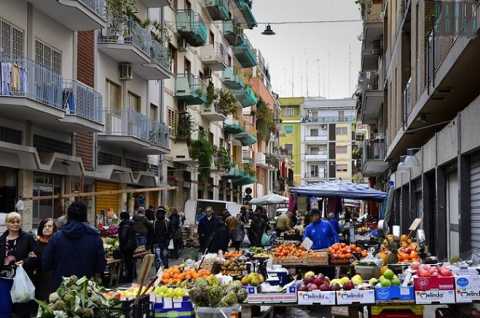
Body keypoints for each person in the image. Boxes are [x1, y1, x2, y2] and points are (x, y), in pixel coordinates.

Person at [42, 201, 106, 290]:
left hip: (60, 291)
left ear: (68, 216)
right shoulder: (95, 238)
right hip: (85, 290)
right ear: (85, 216)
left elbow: (46, 264)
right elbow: (100, 266)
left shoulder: (56, 237)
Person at [0, 212, 37, 318]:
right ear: (7, 223)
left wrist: (25, 262)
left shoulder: (28, 238)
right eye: (12, 222)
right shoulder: (1, 239)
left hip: (21, 279)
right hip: (3, 279)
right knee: (4, 309)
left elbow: (36, 256)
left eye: (18, 221)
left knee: (22, 310)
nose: (15, 224)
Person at [34, 218, 56, 303]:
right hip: (38, 279)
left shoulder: (57, 243)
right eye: (44, 226)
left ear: (54, 228)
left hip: (52, 279)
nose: (46, 228)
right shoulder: (35, 243)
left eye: (49, 226)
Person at [118, 212, 137, 283]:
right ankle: (131, 276)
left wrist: (122, 246)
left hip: (127, 247)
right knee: (130, 261)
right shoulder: (131, 223)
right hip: (132, 246)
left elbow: (123, 236)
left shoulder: (125, 225)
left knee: (127, 262)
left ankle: (128, 278)